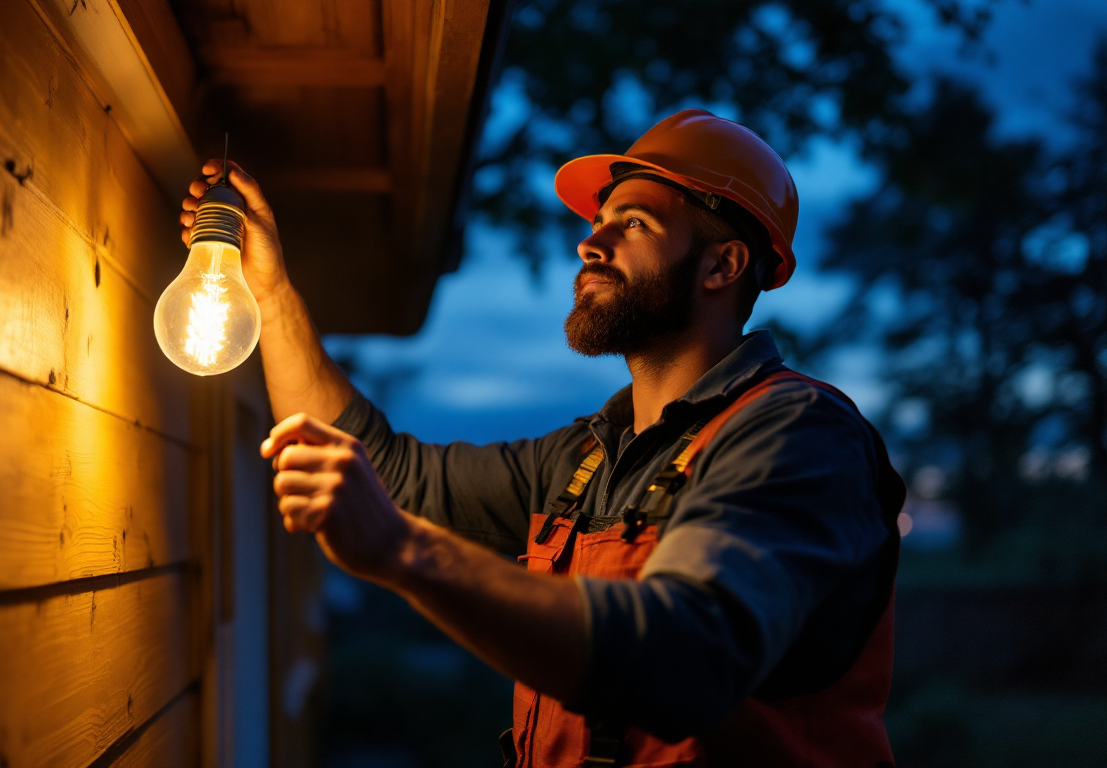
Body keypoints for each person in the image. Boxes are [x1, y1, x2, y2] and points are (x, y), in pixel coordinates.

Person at [181, 109, 905, 768]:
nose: (591, 242)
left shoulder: (798, 436)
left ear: (724, 265)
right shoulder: (583, 461)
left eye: (635, 224)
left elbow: (688, 655)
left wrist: (403, 552)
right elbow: (385, 473)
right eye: (600, 222)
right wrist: (268, 295)